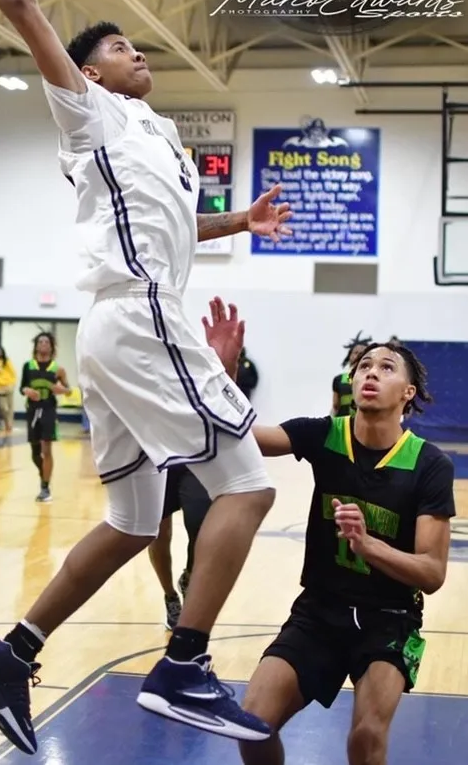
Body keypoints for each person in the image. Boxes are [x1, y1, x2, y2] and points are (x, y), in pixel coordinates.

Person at [0, 0, 294, 755]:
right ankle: (183, 662)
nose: (136, 51)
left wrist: (240, 221)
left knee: (135, 520)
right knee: (247, 485)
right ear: (90, 74)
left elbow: (176, 222)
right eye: (118, 46)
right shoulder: (91, 114)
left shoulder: (158, 137)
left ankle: (12, 651)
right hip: (140, 314)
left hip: (116, 331)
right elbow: (25, 9)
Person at [202, 297, 455, 765]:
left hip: (389, 619)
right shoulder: (325, 435)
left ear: (408, 392)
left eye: (386, 367)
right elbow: (241, 435)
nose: (370, 373)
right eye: (363, 367)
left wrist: (368, 545)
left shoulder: (430, 465)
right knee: (252, 724)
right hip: (320, 610)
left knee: (366, 738)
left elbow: (432, 572)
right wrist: (225, 374)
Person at [148, 467, 212, 629]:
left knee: (201, 525)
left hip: (191, 461)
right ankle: (170, 596)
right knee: (158, 533)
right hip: (153, 463)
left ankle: (188, 579)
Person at [20, 332, 70, 503]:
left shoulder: (58, 369)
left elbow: (69, 390)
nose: (43, 344)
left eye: (46, 342)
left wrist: (62, 390)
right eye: (40, 342)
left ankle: (45, 488)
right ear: (36, 346)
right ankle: (44, 474)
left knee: (46, 449)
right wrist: (26, 391)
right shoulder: (28, 366)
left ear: (51, 346)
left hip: (49, 409)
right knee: (35, 452)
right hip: (32, 410)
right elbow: (22, 387)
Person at [332, 331, 372, 416]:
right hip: (342, 421)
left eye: (362, 353)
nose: (358, 355)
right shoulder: (338, 379)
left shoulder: (373, 378)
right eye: (356, 352)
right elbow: (335, 406)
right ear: (349, 356)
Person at [0, 345, 17, 432]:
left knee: (10, 406)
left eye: (1, 351)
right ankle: (7, 423)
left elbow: (13, 373)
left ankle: (9, 425)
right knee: (3, 407)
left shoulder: (7, 361)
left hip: (8, 385)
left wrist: (12, 384)